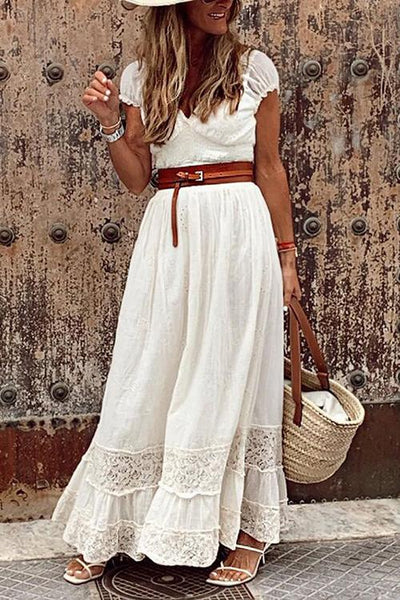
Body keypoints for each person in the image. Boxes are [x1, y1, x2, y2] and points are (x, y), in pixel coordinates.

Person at [51, 0, 302, 587]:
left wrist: (286, 257)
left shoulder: (254, 69)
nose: (224, 1)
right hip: (170, 235)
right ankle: (113, 525)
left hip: (239, 232)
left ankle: (248, 532)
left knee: (228, 376)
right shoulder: (141, 77)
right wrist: (111, 122)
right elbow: (138, 177)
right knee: (147, 373)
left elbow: (269, 167)